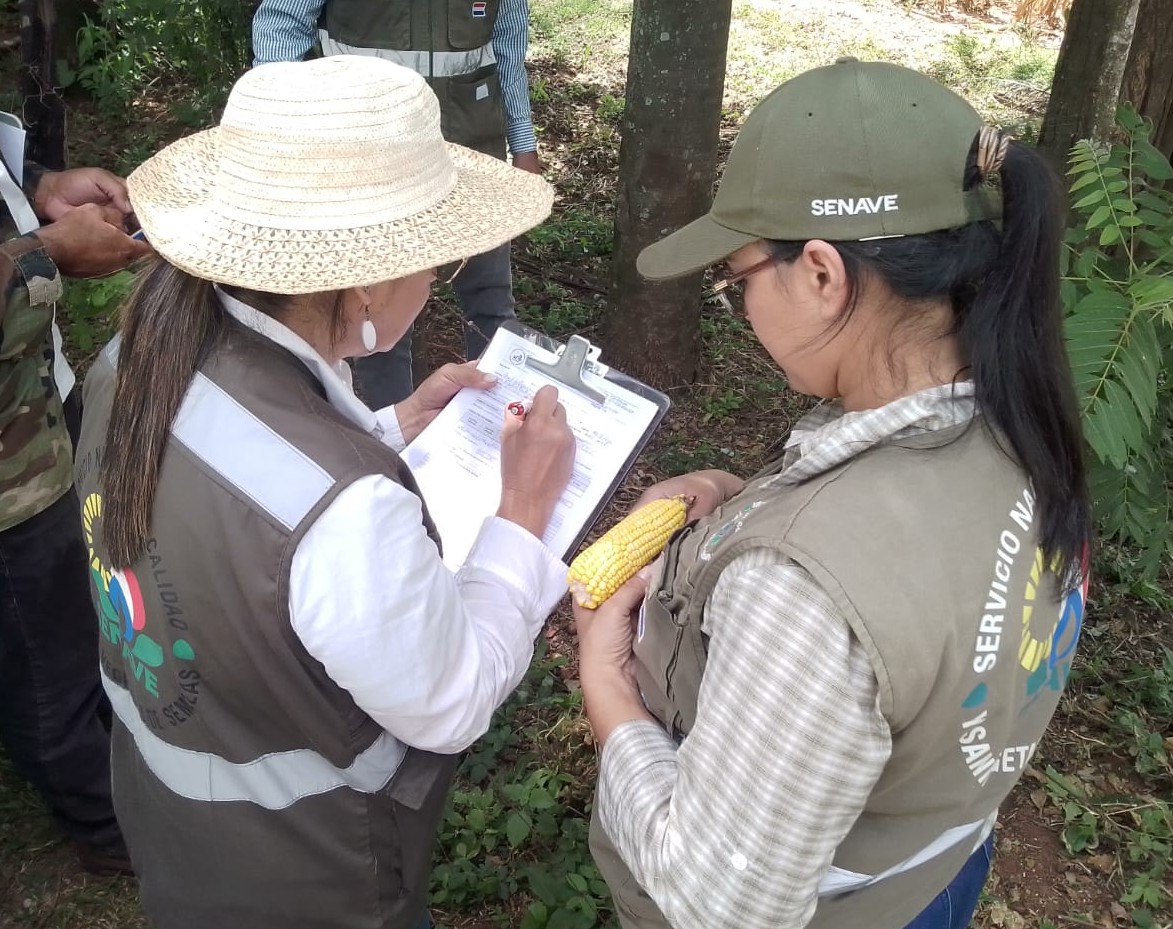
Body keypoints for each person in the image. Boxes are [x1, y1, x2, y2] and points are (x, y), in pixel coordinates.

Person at [574, 59, 1092, 929]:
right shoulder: (1022, 425)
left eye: (737, 277)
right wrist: (732, 495)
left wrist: (607, 684)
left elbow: (716, 900)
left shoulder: (801, 586)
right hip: (931, 868)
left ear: (821, 273)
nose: (740, 303)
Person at [74, 55, 573, 929]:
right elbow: (450, 699)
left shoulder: (134, 355)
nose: (441, 277)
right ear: (369, 282)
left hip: (178, 827)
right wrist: (523, 515)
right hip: (317, 879)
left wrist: (391, 423)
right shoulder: (349, 514)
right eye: (441, 259)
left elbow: (231, 476)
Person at [253, 0, 542, 409]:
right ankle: (391, 441)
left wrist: (523, 145)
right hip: (369, 165)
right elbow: (281, 26)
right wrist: (285, 126)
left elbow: (509, 50)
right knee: (375, 315)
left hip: (471, 159)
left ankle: (501, 421)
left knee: (490, 300)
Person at [0, 135, 148, 875]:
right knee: (38, 663)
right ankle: (101, 820)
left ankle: (109, 735)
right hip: (7, 487)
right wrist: (42, 254)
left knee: (69, 610)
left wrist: (40, 187)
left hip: (33, 420)